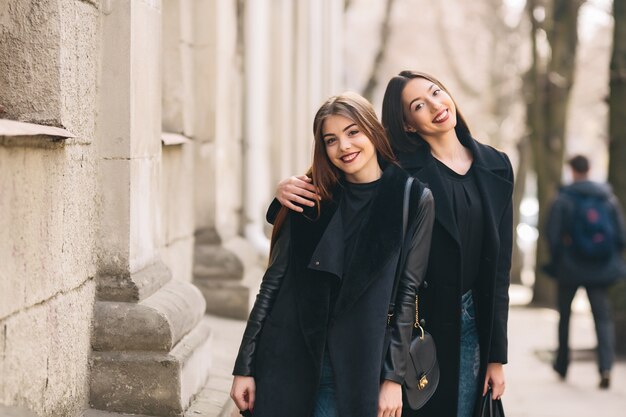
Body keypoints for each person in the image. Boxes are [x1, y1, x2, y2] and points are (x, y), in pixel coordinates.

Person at [271, 71, 513, 417]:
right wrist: (285, 190)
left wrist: (496, 357)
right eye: (418, 105)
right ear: (409, 125)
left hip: (472, 320)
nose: (435, 106)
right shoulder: (399, 170)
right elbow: (340, 176)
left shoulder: (497, 165)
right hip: (414, 324)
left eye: (436, 93)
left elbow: (500, 268)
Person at [230, 92, 435, 417]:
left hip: (360, 366)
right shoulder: (310, 194)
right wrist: (245, 365)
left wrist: (393, 378)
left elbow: (407, 294)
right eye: (331, 139)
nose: (344, 146)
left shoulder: (411, 198)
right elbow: (273, 282)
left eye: (353, 132)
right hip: (289, 359)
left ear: (372, 131)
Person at [545, 155, 626, 389]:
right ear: (589, 169)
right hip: (600, 269)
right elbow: (620, 235)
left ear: (572, 170)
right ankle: (606, 366)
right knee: (602, 318)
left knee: (564, 317)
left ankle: (562, 364)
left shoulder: (563, 198)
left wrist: (560, 258)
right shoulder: (608, 198)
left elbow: (552, 234)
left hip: (570, 267)